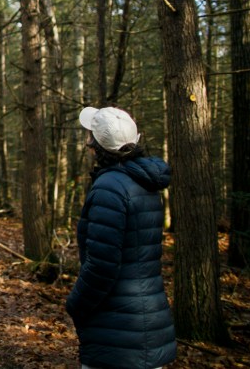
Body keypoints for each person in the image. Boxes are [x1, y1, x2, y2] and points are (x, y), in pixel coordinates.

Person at [66, 106, 177, 369]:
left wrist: (76, 304)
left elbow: (102, 265)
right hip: (147, 321)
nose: (86, 141)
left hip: (117, 327)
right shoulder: (144, 183)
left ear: (98, 146)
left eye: (90, 136)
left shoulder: (110, 188)